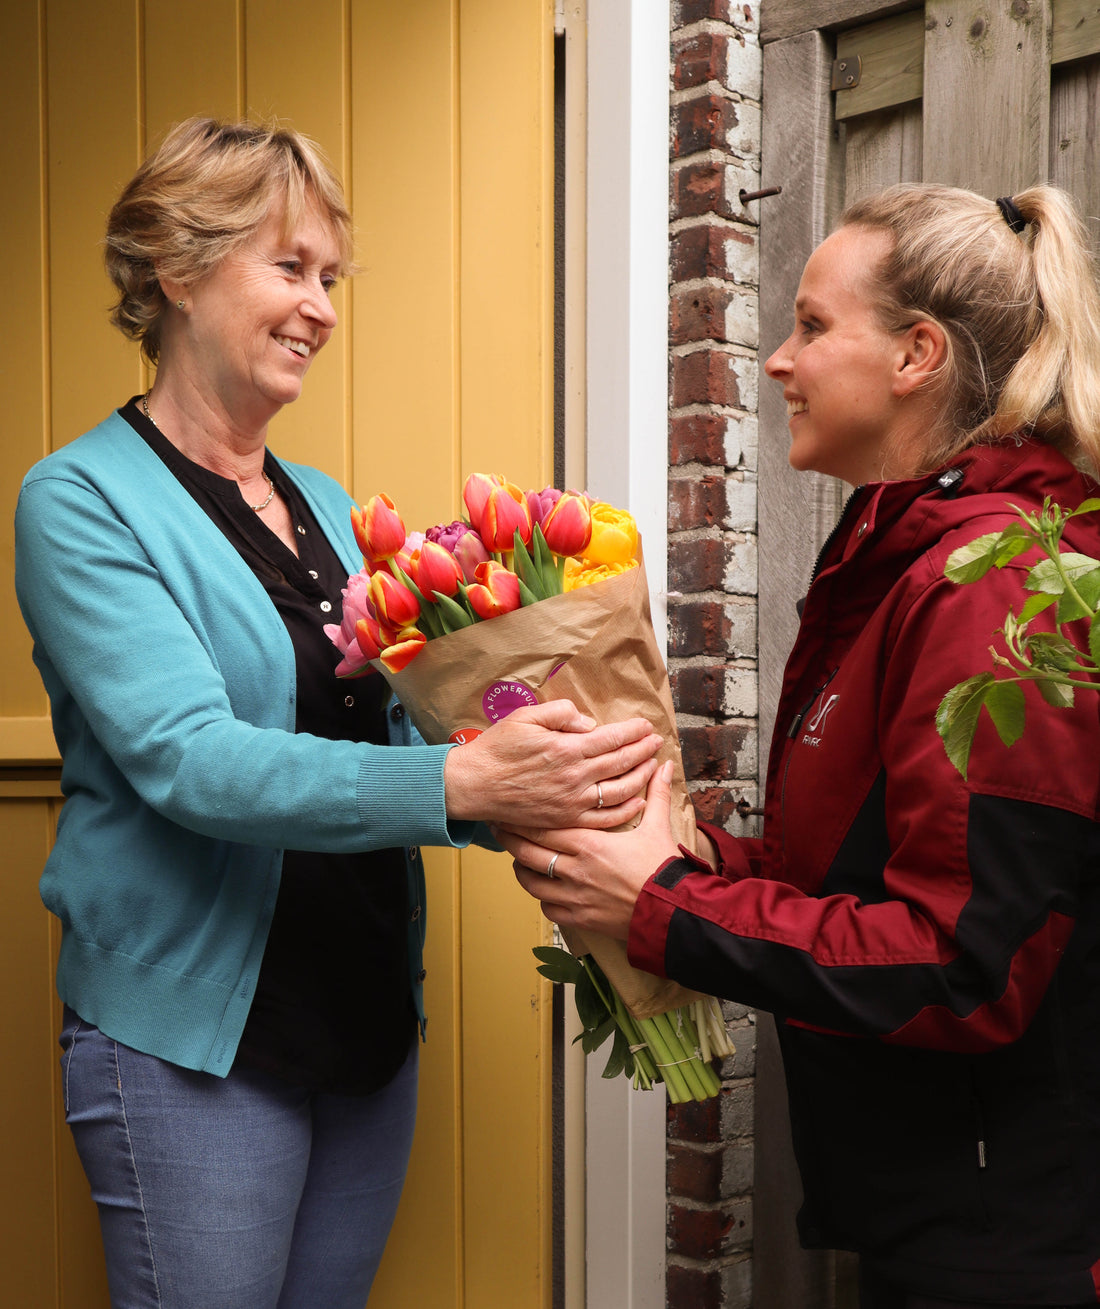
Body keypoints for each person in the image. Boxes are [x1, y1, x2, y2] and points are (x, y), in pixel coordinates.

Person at [14, 116, 661, 1309]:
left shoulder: (319, 501)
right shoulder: (78, 500)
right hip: (196, 1044)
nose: (320, 306)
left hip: (359, 1016)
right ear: (176, 268)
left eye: (329, 278)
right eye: (289, 268)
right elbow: (188, 762)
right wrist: (461, 789)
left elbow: (402, 726)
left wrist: (552, 781)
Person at [498, 183, 1100, 1308]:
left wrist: (666, 904)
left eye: (814, 326)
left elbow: (959, 966)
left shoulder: (997, 587)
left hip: (1013, 1237)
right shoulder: (894, 557)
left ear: (916, 353)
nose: (778, 360)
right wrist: (654, 850)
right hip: (930, 1204)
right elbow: (849, 875)